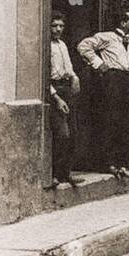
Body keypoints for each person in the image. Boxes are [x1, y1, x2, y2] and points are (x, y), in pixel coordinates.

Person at [77, 9, 129, 179]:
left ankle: (122, 163)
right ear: (123, 23)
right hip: (111, 82)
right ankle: (109, 164)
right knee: (111, 122)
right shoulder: (107, 37)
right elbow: (83, 46)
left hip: (126, 82)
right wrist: (98, 63)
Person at [48, 11, 82, 186]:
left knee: (73, 134)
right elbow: (44, 78)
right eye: (54, 25)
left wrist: (75, 77)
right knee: (62, 134)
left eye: (61, 26)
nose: (58, 29)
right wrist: (57, 98)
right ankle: (54, 174)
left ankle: (65, 173)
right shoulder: (46, 47)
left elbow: (69, 68)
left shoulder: (62, 45)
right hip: (55, 92)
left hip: (67, 89)